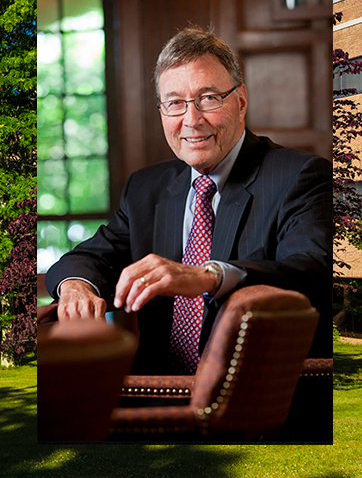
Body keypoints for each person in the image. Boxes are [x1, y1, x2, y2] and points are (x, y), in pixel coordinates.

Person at [44, 26, 332, 375]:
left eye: (208, 98)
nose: (191, 121)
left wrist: (208, 277)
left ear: (240, 102)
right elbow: (89, 258)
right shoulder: (145, 189)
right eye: (175, 103)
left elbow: (310, 274)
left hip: (257, 400)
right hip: (154, 398)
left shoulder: (299, 176)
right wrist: (77, 287)